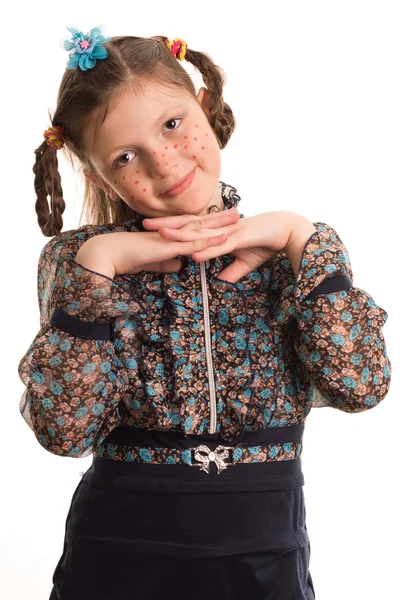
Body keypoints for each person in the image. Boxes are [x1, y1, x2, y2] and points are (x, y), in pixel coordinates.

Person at [18, 26, 391, 600]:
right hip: (116, 560)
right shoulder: (81, 263)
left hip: (265, 562)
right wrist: (100, 264)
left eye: (172, 124)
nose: (163, 162)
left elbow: (362, 386)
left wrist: (303, 238)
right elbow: (63, 433)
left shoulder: (297, 252)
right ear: (97, 174)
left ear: (206, 105)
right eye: (125, 156)